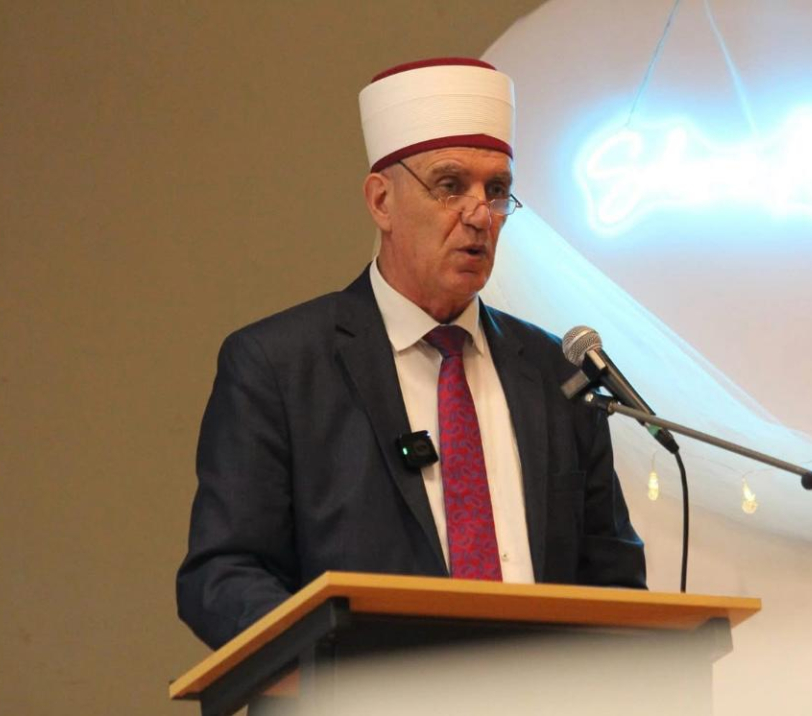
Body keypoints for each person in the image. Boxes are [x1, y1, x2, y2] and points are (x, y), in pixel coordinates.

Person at [177, 58, 646, 650]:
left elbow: (612, 578)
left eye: (497, 191)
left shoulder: (555, 372)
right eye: (450, 186)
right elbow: (222, 575)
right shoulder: (280, 366)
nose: (479, 215)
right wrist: (338, 667)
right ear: (381, 201)